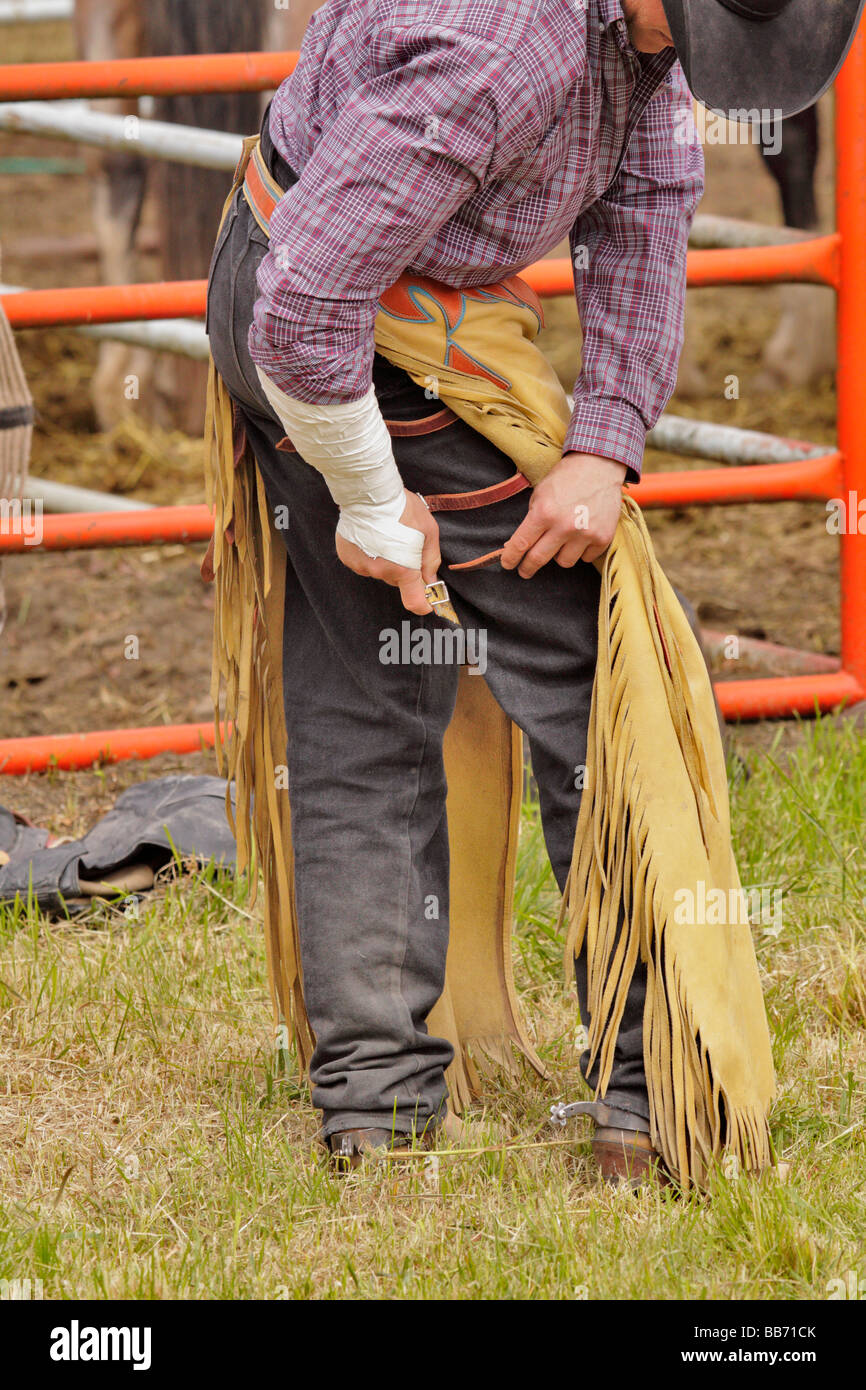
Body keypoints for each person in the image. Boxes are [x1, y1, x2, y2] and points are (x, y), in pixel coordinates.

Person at [205, 0, 864, 1181]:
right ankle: (652, 1092)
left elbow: (649, 205)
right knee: (593, 660)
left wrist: (602, 447)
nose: (692, 65)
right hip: (327, 319)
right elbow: (304, 307)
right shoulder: (507, 48)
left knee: (366, 678)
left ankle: (376, 1103)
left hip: (328, 277)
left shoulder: (633, 42)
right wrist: (365, 488)